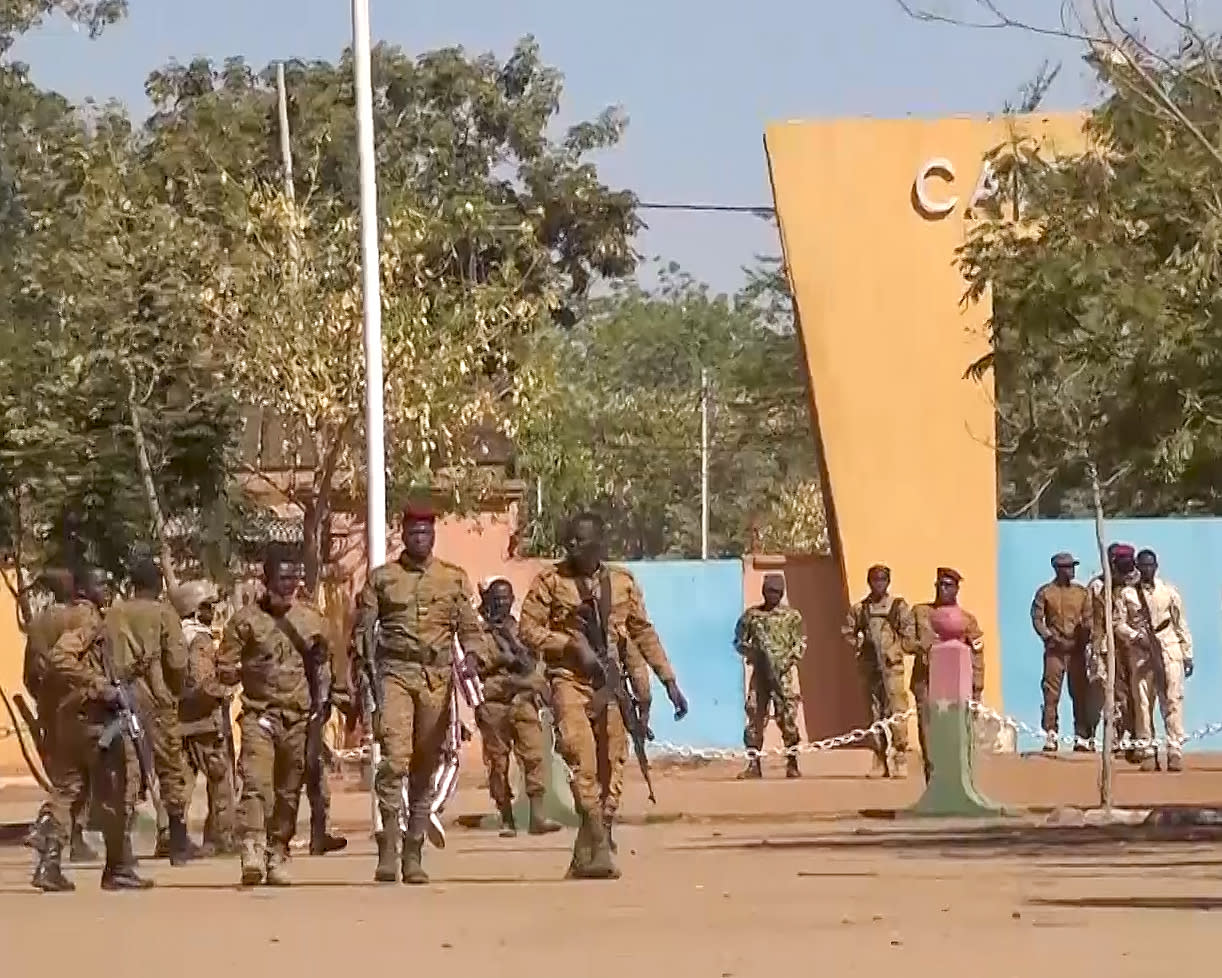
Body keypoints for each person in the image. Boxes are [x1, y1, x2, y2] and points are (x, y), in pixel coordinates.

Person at [519, 511, 689, 880]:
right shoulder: (550, 581)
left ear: (599, 543)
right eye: (570, 540)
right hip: (569, 679)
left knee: (613, 763)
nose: (573, 546)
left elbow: (643, 632)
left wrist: (669, 681)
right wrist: (567, 645)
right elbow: (527, 631)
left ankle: (593, 842)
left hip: (610, 684)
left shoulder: (622, 583)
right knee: (582, 762)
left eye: (581, 540)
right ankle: (597, 842)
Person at [356, 501, 493, 885]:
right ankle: (388, 846)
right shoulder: (382, 579)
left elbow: (469, 629)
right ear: (403, 535)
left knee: (424, 765)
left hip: (436, 679)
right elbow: (364, 632)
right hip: (396, 674)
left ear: (433, 535)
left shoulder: (452, 579)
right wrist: (364, 677)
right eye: (414, 532)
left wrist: (474, 659)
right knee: (395, 759)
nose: (420, 538)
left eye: (427, 532)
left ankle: (414, 850)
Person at [33, 565, 153, 892]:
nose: (109, 588)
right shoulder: (89, 619)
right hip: (94, 720)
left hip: (65, 717)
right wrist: (102, 687)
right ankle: (118, 868)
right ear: (84, 589)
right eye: (102, 582)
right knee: (117, 790)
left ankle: (49, 865)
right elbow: (62, 658)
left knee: (67, 792)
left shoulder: (50, 618)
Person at [216, 547, 332, 886]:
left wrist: (327, 701)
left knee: (288, 790)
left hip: (298, 718)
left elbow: (327, 669)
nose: (288, 585)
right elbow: (224, 666)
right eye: (281, 578)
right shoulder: (245, 621)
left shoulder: (311, 619)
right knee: (256, 783)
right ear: (266, 579)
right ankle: (252, 848)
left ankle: (278, 852)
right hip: (259, 715)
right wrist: (237, 672)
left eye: (293, 578)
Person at [108, 557, 191, 865]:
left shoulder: (113, 615)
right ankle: (178, 840)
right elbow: (178, 661)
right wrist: (177, 689)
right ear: (157, 586)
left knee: (127, 771)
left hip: (122, 701)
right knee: (170, 769)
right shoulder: (164, 614)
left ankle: (122, 848)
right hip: (158, 701)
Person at [22, 568, 100, 863]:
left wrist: (42, 698)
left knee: (64, 774)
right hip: (79, 703)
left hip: (48, 704)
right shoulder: (83, 618)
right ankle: (67, 833)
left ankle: (61, 834)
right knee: (84, 774)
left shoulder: (38, 622)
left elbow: (29, 673)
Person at [475, 577, 561, 837]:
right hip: (494, 704)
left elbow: (536, 661)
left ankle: (537, 817)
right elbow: (477, 667)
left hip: (522, 700)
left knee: (534, 757)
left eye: (505, 598)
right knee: (498, 764)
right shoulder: (480, 633)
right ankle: (507, 818)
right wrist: (500, 659)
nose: (501, 603)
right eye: (496, 599)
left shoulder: (522, 630)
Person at [172, 579, 238, 856]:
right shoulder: (199, 640)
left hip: (180, 723)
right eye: (208, 607)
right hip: (205, 723)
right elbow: (202, 680)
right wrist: (225, 690)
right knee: (221, 781)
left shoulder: (177, 636)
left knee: (180, 783)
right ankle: (220, 839)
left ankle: (173, 836)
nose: (213, 612)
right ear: (195, 609)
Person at [1121, 549, 1193, 772]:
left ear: (1156, 566)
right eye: (1143, 565)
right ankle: (1148, 752)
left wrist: (1187, 653)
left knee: (1172, 699)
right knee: (1143, 703)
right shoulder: (1127, 595)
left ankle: (1174, 750)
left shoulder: (1169, 592)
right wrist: (1135, 636)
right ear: (1137, 567)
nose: (1147, 569)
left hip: (1168, 648)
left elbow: (1181, 624)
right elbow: (1118, 624)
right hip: (1141, 653)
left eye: (1151, 565)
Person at [912, 568, 984, 781]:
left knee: (959, 733)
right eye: (940, 585)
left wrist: (977, 688)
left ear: (957, 589)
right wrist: (924, 645)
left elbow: (977, 654)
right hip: (926, 680)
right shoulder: (920, 613)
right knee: (928, 734)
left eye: (948, 585)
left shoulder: (966, 620)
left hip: (956, 686)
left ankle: (962, 780)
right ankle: (932, 781)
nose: (943, 589)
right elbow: (906, 642)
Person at [843, 564, 914, 778]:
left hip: (892, 669)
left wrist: (894, 650)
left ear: (888, 582)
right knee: (874, 714)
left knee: (897, 711)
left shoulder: (898, 607)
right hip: (870, 668)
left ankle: (900, 757)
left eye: (882, 580)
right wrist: (859, 644)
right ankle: (879, 759)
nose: (878, 584)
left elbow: (909, 636)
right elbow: (847, 632)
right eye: (875, 580)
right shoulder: (860, 609)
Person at [734, 573, 807, 780]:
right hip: (760, 675)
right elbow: (739, 640)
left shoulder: (792, 616)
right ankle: (753, 764)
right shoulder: (752, 616)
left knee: (788, 719)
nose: (771, 595)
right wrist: (753, 653)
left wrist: (786, 661)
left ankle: (792, 763)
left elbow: (800, 643)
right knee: (755, 716)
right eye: (768, 591)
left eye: (775, 592)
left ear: (782, 593)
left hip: (782, 676)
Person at [1030, 552, 1092, 752]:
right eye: (1066, 567)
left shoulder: (1082, 593)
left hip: (1076, 649)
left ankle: (1081, 735)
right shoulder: (1046, 593)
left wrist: (1085, 632)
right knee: (1051, 692)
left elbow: (1089, 616)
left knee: (1080, 693)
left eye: (1072, 566)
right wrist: (1048, 637)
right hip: (1055, 649)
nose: (1071, 570)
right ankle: (1050, 733)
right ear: (1057, 569)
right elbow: (1037, 618)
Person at [305, 614, 351, 857]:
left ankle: (319, 836)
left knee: (318, 785)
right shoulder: (298, 670)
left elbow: (335, 694)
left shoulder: (326, 669)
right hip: (294, 729)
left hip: (313, 728)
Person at [1089, 543, 1138, 759]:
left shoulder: (1138, 584)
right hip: (1110, 648)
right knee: (1115, 693)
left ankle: (1139, 738)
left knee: (1139, 694)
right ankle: (1117, 738)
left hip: (1137, 647)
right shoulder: (1099, 586)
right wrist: (1096, 647)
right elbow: (1092, 618)